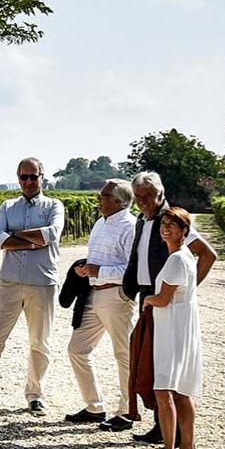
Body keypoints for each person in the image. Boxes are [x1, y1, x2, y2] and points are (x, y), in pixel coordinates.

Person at [0, 157, 64, 415]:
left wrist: (15, 236)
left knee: (40, 342)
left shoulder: (54, 206)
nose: (28, 182)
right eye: (23, 177)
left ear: (42, 177)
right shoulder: (7, 206)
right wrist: (32, 241)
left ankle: (35, 395)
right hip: (9, 282)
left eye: (33, 176)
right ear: (18, 178)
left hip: (42, 283)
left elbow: (51, 234)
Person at [123, 171, 216, 443]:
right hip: (148, 297)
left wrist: (186, 289)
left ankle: (174, 435)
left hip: (164, 301)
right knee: (150, 363)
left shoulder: (172, 221)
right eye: (138, 197)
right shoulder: (141, 220)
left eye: (148, 196)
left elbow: (208, 255)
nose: (142, 201)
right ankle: (161, 427)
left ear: (160, 194)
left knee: (167, 366)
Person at [64, 179, 137, 430]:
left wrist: (100, 271)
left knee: (124, 354)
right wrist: (85, 269)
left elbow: (132, 270)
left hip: (117, 297)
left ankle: (127, 412)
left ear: (119, 201)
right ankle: (94, 407)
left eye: (103, 195)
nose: (98, 199)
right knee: (77, 349)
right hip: (93, 294)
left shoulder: (130, 227)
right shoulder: (100, 223)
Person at [143, 207, 203, 449]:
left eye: (172, 225)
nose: (165, 229)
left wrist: (148, 300)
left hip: (172, 330)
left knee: (164, 390)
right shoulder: (186, 256)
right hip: (183, 326)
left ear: (184, 231)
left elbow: (164, 298)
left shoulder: (177, 259)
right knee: (182, 391)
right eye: (163, 224)